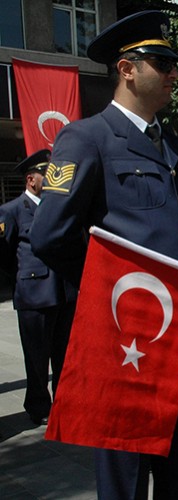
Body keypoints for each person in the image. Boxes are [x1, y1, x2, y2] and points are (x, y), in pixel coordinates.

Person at [29, 11, 178, 499]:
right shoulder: (85, 138)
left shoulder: (172, 144)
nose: (175, 72)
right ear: (127, 68)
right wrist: (111, 285)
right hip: (127, 343)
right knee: (127, 478)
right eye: (163, 61)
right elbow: (49, 234)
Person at [0, 150, 77, 426]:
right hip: (34, 295)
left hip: (64, 293)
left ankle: (66, 404)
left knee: (64, 355)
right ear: (31, 179)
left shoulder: (57, 208)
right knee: (36, 357)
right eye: (47, 174)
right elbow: (5, 254)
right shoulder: (11, 211)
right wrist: (25, 277)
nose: (52, 178)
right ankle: (38, 407)